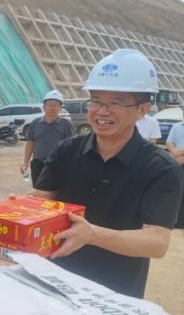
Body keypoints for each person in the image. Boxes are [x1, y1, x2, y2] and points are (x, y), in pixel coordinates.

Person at [33, 49, 184, 298]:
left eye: (116, 103)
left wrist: (92, 235)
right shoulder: (66, 150)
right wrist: (18, 212)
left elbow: (156, 243)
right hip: (54, 280)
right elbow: (40, 201)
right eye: (96, 101)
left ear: (143, 110)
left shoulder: (161, 168)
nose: (102, 111)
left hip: (115, 295)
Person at [20, 89, 75, 186]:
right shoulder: (35, 123)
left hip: (58, 164)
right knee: (38, 190)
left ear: (60, 108)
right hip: (38, 164)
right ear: (44, 107)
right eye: (49, 105)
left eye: (56, 105)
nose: (52, 108)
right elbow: (30, 143)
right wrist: (25, 162)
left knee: (57, 191)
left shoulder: (66, 124)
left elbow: (71, 146)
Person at [165, 108, 184, 228]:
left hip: (179, 159)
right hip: (178, 164)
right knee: (178, 192)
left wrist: (180, 152)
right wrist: (175, 153)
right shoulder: (176, 127)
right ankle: (178, 222)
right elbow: (169, 142)